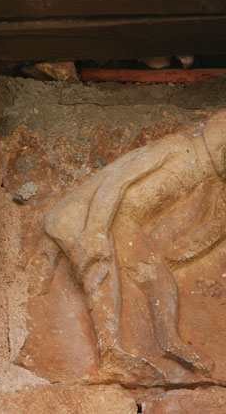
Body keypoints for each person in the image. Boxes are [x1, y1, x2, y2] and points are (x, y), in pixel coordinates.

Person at [32, 110, 226, 380]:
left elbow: (168, 246)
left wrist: (219, 224)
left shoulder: (202, 187)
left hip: (126, 227)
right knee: (101, 268)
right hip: (84, 213)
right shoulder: (177, 146)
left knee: (160, 281)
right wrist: (96, 230)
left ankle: (169, 342)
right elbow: (117, 180)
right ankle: (110, 351)